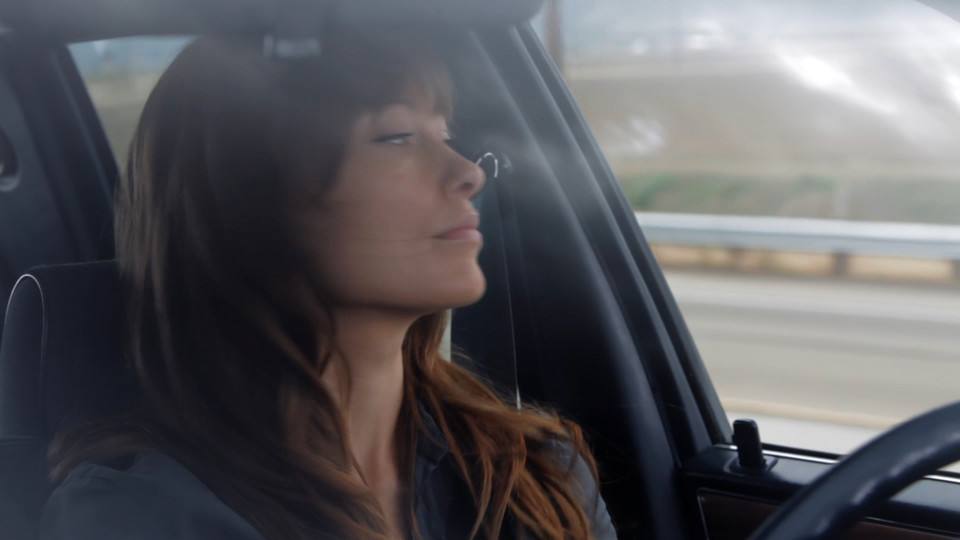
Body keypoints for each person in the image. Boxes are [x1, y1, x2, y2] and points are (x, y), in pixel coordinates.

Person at [39, 29, 616, 540]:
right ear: (247, 198)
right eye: (396, 136)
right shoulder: (141, 517)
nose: (468, 172)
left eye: (444, 134)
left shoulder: (535, 472)